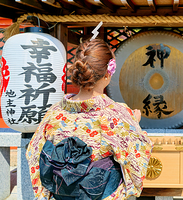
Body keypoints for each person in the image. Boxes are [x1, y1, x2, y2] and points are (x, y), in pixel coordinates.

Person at [26, 38, 153, 200]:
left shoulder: (54, 113)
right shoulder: (116, 114)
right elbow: (135, 158)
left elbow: (34, 153)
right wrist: (134, 123)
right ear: (108, 73)